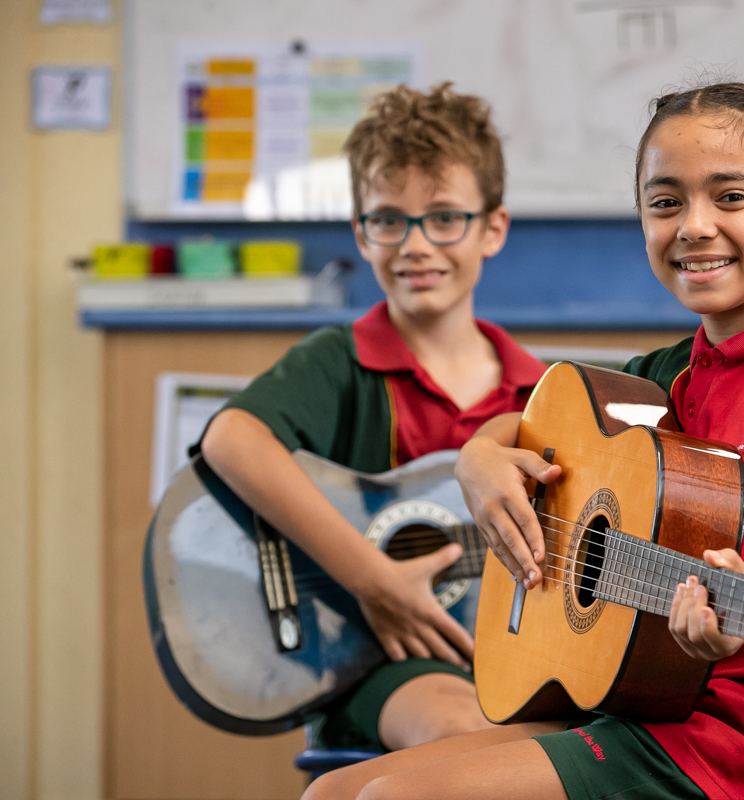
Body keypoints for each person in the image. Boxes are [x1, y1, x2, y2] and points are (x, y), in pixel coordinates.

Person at [304, 81, 744, 800]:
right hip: (653, 711)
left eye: (730, 197)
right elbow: (545, 419)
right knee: (331, 794)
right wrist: (481, 458)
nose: (692, 225)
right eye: (664, 203)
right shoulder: (675, 373)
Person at [197, 82, 547, 753]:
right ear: (361, 233)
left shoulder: (542, 395)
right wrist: (372, 577)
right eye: (389, 220)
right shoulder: (342, 360)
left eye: (445, 217)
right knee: (468, 737)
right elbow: (231, 439)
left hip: (511, 661)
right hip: (372, 664)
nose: (415, 244)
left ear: (492, 229)